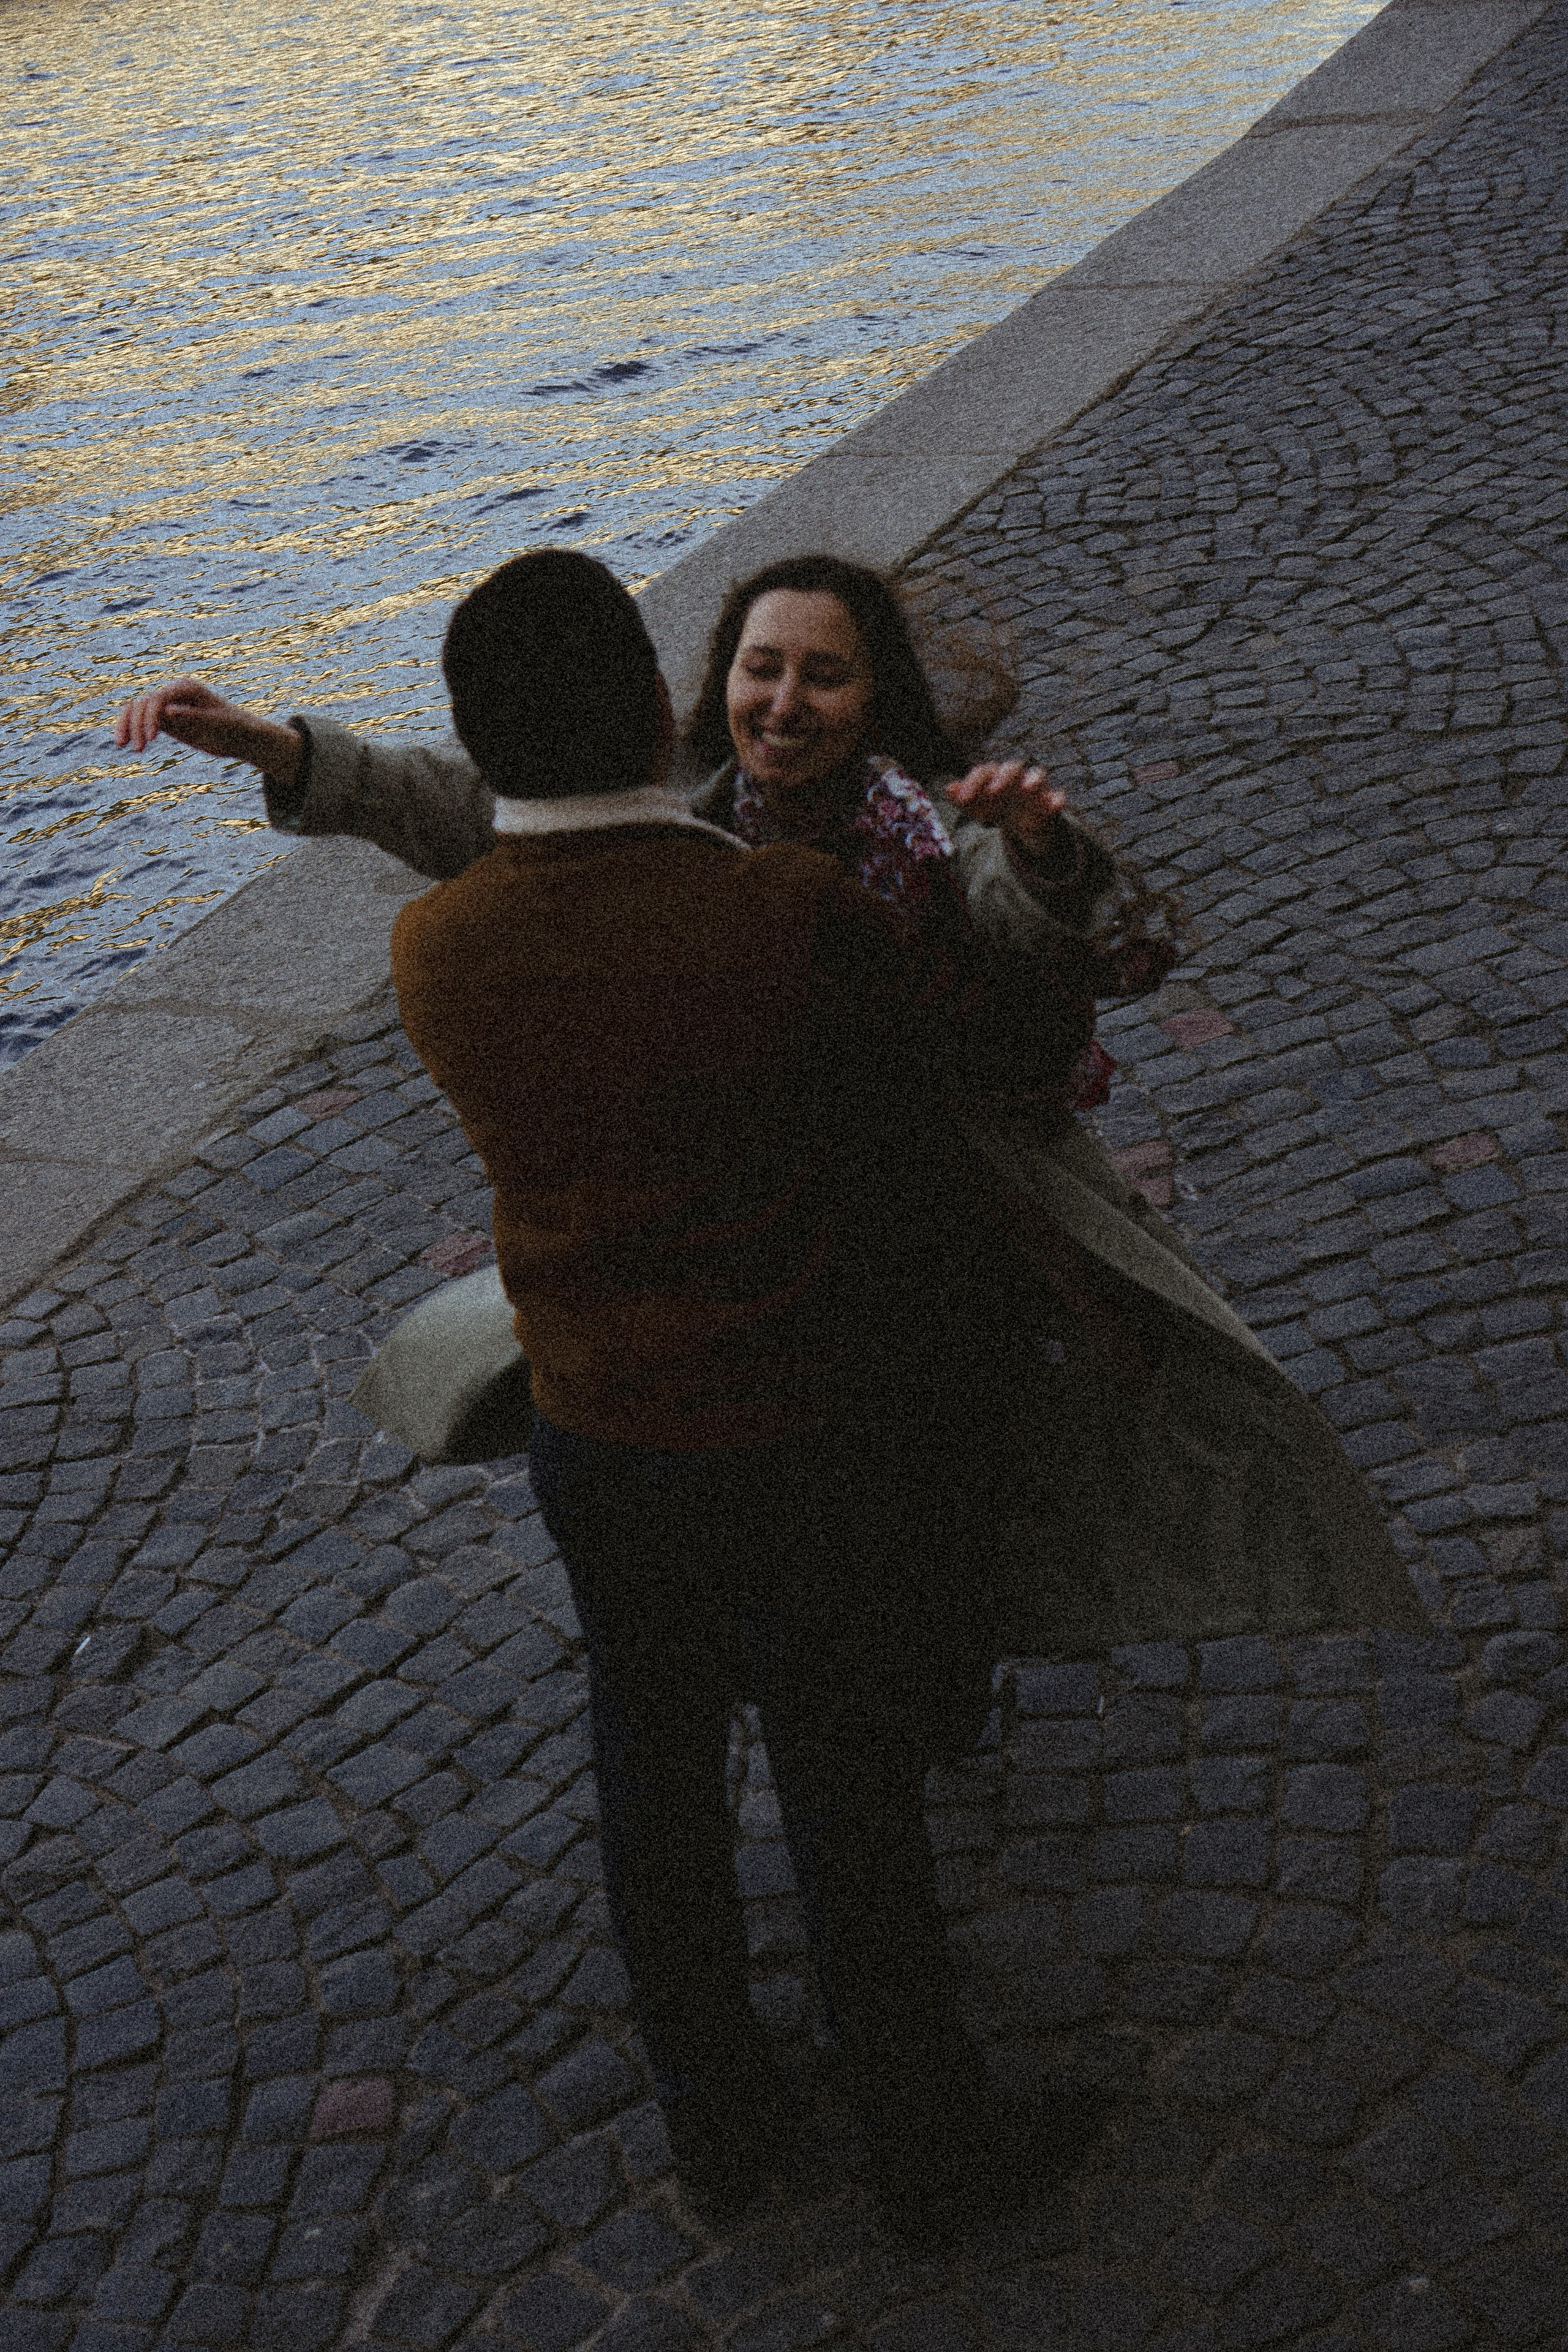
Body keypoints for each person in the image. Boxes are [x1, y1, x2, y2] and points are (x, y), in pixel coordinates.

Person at [273, 546, 1096, 2241]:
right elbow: (977, 1055)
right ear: (664, 712)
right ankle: (927, 2148)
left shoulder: (438, 947)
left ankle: (719, 2123)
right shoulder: (779, 911)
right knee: (846, 1793)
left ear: (480, 740)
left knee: (650, 1777)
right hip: (793, 1421)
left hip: (598, 1432)